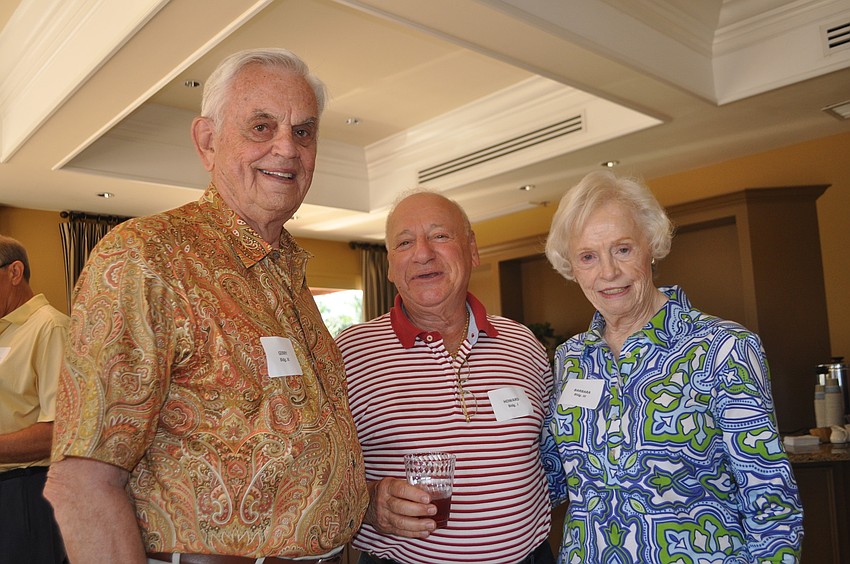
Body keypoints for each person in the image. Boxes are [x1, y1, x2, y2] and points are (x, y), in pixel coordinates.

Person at [44, 48, 368, 564]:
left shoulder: (290, 273)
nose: (287, 147)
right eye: (261, 127)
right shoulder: (147, 256)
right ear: (208, 141)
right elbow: (83, 480)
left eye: (304, 132)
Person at [541, 170, 803, 562]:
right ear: (572, 267)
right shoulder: (571, 358)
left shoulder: (722, 347)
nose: (608, 272)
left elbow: (770, 499)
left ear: (651, 246)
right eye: (588, 257)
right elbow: (553, 478)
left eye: (623, 249)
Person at [336, 189, 556, 564]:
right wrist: (369, 503)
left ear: (472, 250)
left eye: (440, 235)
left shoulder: (522, 343)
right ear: (389, 266)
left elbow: (551, 453)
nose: (423, 253)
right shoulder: (348, 353)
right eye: (405, 242)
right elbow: (315, 475)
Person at [0, 235, 68, 563]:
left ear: (14, 272)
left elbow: (61, 432)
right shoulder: (5, 331)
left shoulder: (51, 328)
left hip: (26, 491)